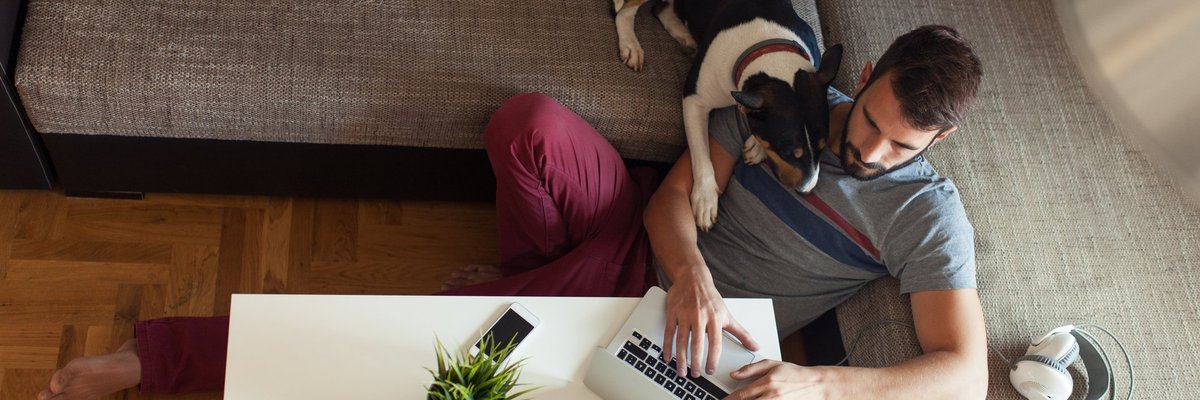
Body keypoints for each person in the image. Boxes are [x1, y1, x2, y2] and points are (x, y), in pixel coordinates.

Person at [40, 25, 985, 400]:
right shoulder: (793, 103)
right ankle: (526, 279)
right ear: (862, 81)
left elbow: (962, 368)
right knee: (524, 135)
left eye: (900, 145)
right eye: (868, 121)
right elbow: (668, 202)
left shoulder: (930, 224)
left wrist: (828, 387)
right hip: (648, 253)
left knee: (445, 359)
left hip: (681, 342)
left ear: (936, 146)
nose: (865, 151)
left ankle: (151, 359)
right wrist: (691, 270)